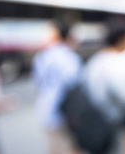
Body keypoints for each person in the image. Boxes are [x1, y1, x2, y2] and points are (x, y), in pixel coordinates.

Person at [83, 21, 125, 154]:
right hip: (109, 121)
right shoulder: (116, 62)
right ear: (122, 39)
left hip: (93, 119)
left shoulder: (96, 60)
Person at [32, 21, 82, 154]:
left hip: (46, 109)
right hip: (65, 113)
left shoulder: (41, 56)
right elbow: (74, 86)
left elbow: (38, 82)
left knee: (55, 147)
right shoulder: (69, 57)